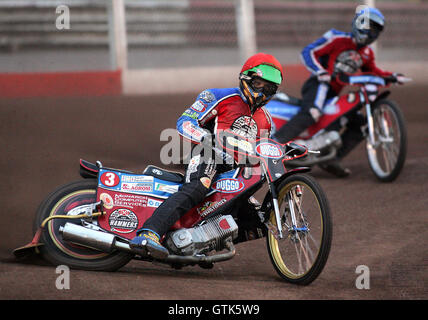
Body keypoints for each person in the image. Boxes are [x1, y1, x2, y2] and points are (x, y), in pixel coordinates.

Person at [130, 53, 283, 259]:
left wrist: (289, 150)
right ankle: (149, 233)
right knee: (199, 186)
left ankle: (199, 244)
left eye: (269, 88)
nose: (263, 91)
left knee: (259, 220)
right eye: (258, 83)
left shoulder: (266, 120)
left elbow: (263, 150)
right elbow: (184, 122)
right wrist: (208, 139)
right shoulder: (218, 96)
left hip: (238, 170)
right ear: (245, 79)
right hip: (208, 154)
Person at [272, 7, 399, 177]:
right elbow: (309, 51)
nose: (372, 32)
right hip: (319, 84)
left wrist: (392, 76)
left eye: (376, 29)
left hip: (334, 94)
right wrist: (320, 71)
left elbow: (373, 71)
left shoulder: (367, 53)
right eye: (370, 26)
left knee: (360, 124)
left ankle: (331, 159)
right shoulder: (336, 38)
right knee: (312, 112)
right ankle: (274, 145)